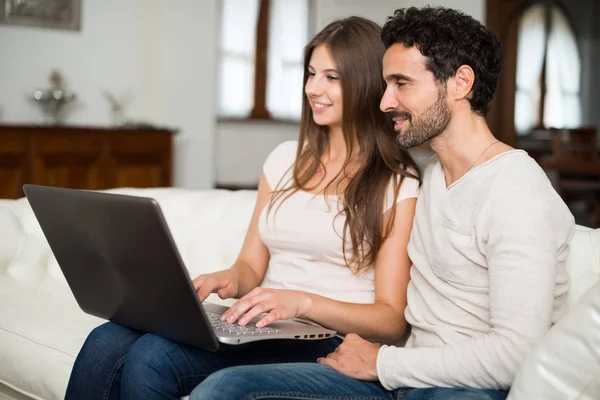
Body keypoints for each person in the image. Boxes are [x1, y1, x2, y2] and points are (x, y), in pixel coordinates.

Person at [190, 6, 576, 400]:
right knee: (226, 386)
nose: (383, 102)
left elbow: (515, 354)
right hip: (399, 376)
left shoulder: (517, 192)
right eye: (385, 84)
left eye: (401, 83)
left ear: (461, 82)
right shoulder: (433, 176)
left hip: (460, 386)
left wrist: (383, 363)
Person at [64, 16, 421, 400]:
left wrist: (300, 301)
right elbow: (251, 266)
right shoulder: (284, 160)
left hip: (331, 340)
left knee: (154, 358)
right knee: (105, 340)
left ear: (367, 83)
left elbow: (390, 319)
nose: (313, 88)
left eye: (332, 77)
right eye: (312, 73)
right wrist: (229, 279)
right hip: (271, 328)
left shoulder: (396, 182)